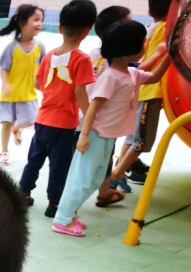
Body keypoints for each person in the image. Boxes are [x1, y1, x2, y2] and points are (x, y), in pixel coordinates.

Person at [52, 19, 170, 236]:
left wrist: (168, 57)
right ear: (130, 48)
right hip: (95, 135)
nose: (146, 45)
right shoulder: (110, 77)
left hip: (108, 136)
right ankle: (62, 219)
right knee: (82, 178)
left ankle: (68, 214)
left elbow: (154, 77)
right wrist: (84, 135)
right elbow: (94, 106)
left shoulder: (131, 73)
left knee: (96, 178)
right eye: (143, 42)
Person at [18, 0, 97, 217]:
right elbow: (80, 92)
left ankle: (22, 193)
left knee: (34, 160)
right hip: (63, 124)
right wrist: (90, 116)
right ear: (88, 30)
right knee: (59, 166)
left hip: (42, 119)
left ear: (60, 28)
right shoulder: (82, 59)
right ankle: (54, 203)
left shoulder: (49, 55)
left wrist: (53, 91)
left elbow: (37, 84)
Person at [109, 0, 172, 188]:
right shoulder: (164, 29)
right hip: (149, 92)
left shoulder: (151, 28)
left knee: (132, 138)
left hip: (141, 90)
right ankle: (116, 175)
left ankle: (119, 173)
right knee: (140, 142)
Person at [86, 4, 132, 207]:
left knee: (102, 157)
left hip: (89, 118)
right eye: (129, 23)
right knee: (100, 158)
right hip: (100, 121)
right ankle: (100, 194)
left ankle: (104, 193)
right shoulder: (113, 63)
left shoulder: (94, 53)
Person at [0, 4, 46, 166]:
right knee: (6, 124)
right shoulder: (12, 47)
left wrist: (43, 85)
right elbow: (4, 69)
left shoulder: (40, 47)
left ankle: (17, 129)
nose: (39, 23)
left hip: (29, 93)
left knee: (31, 118)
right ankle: (4, 151)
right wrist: (5, 84)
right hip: (9, 94)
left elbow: (43, 69)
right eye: (35, 20)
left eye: (41, 20)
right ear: (22, 22)